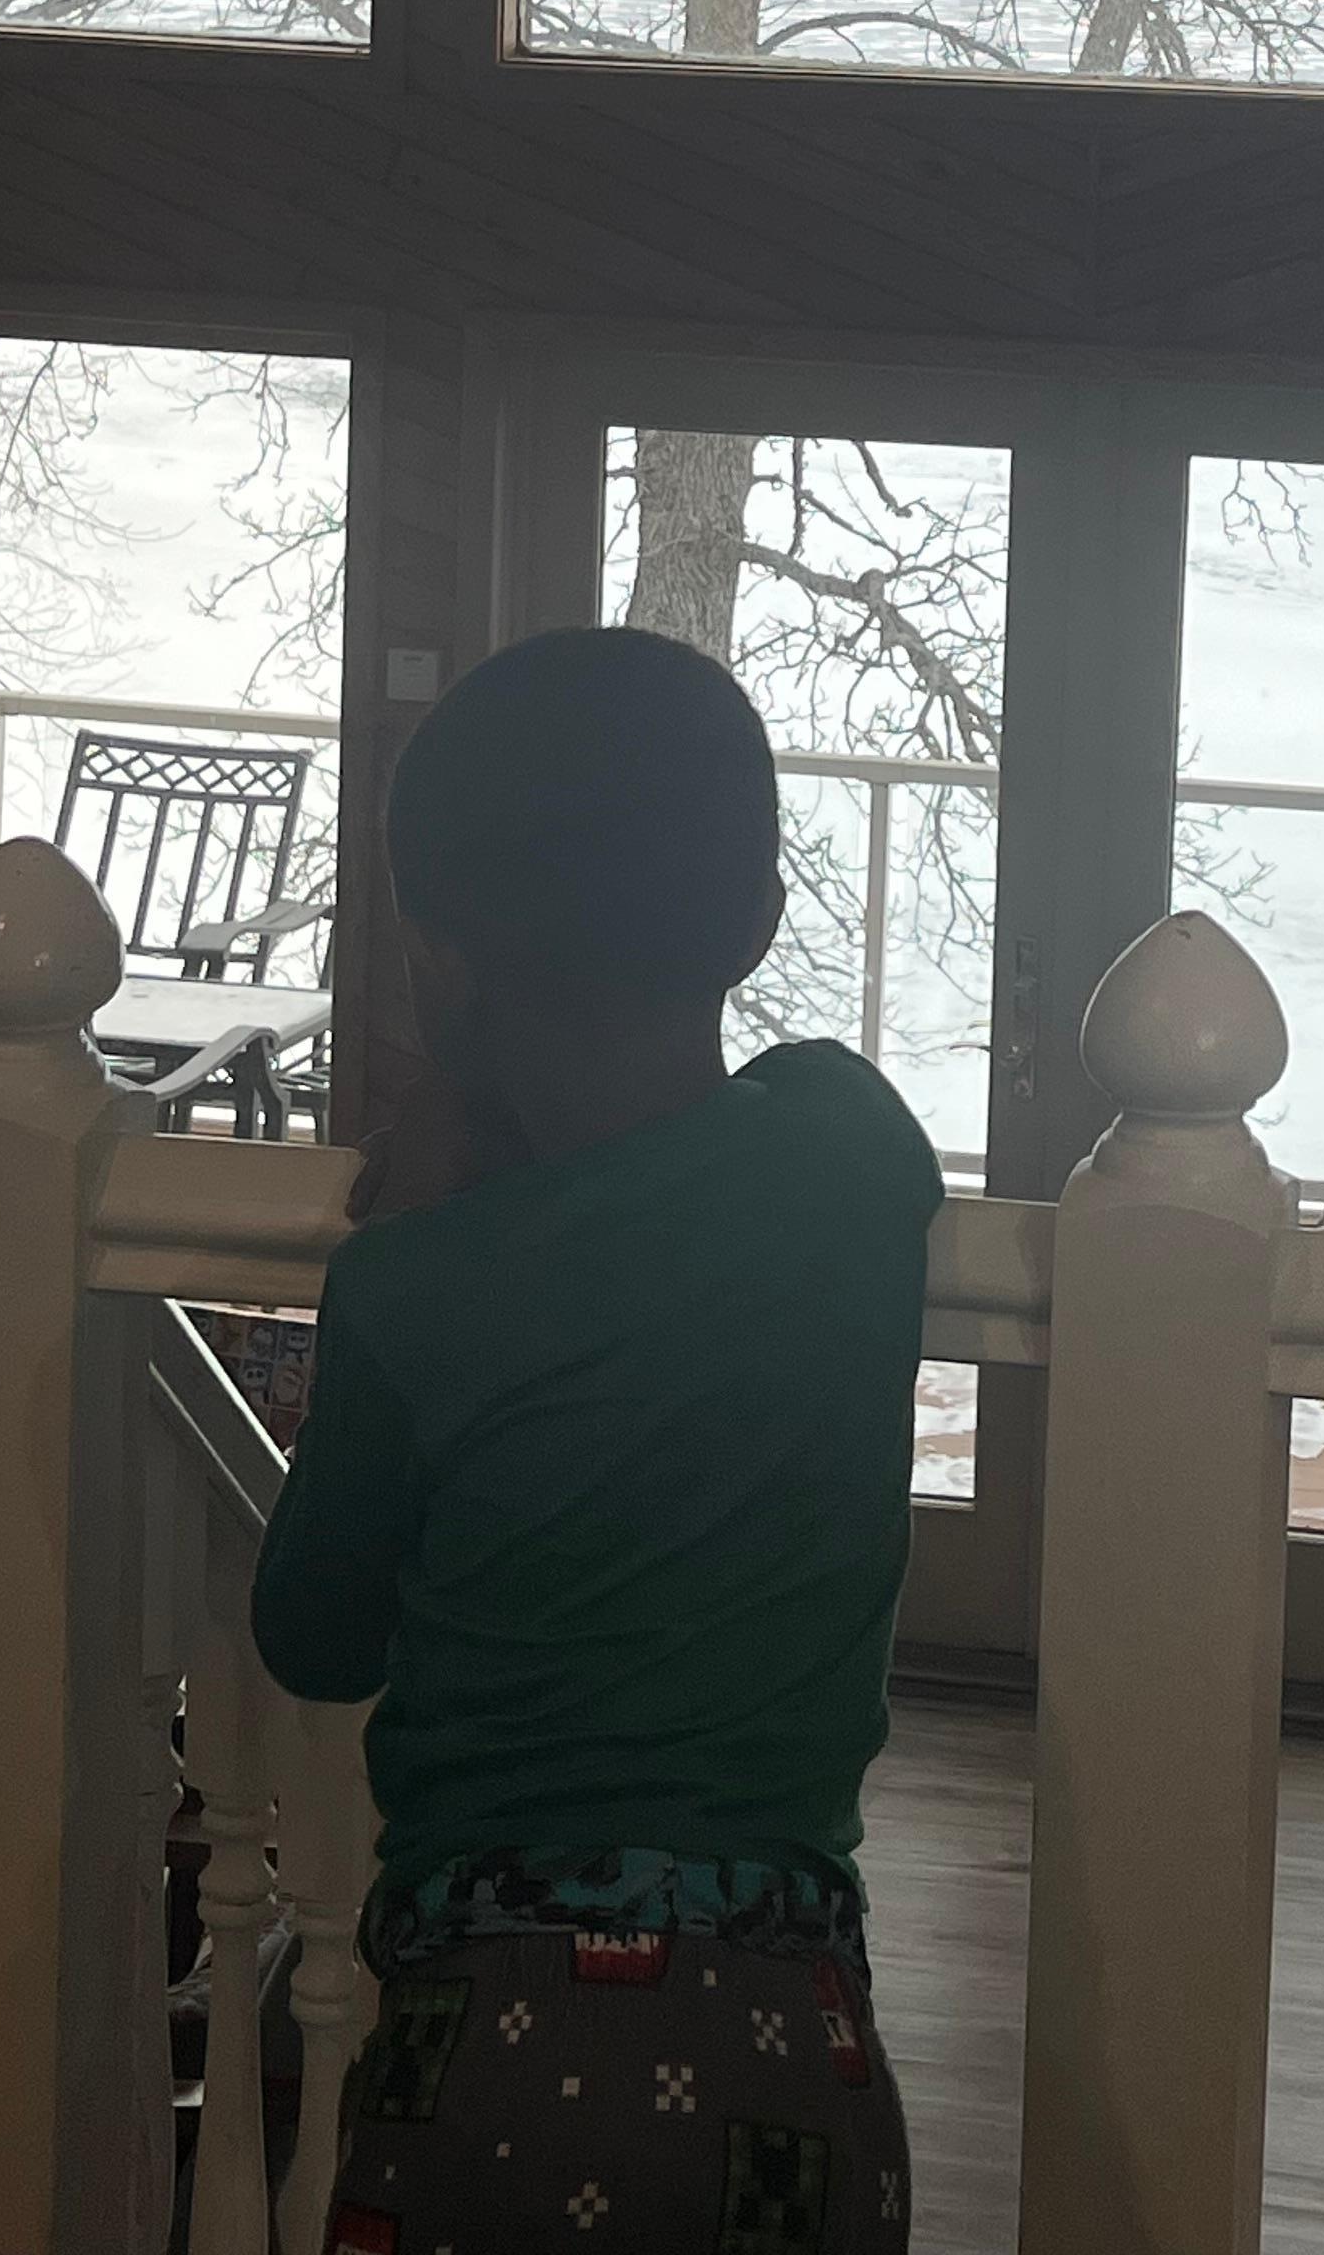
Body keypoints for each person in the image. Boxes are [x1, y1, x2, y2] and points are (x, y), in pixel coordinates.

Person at [252, 625, 944, 2255]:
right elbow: (793, 1098)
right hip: (800, 2040)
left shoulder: (409, 1287)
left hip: (482, 2043)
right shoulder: (849, 1165)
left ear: (439, 961)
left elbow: (312, 1636)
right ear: (759, 919)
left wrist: (440, 1171)